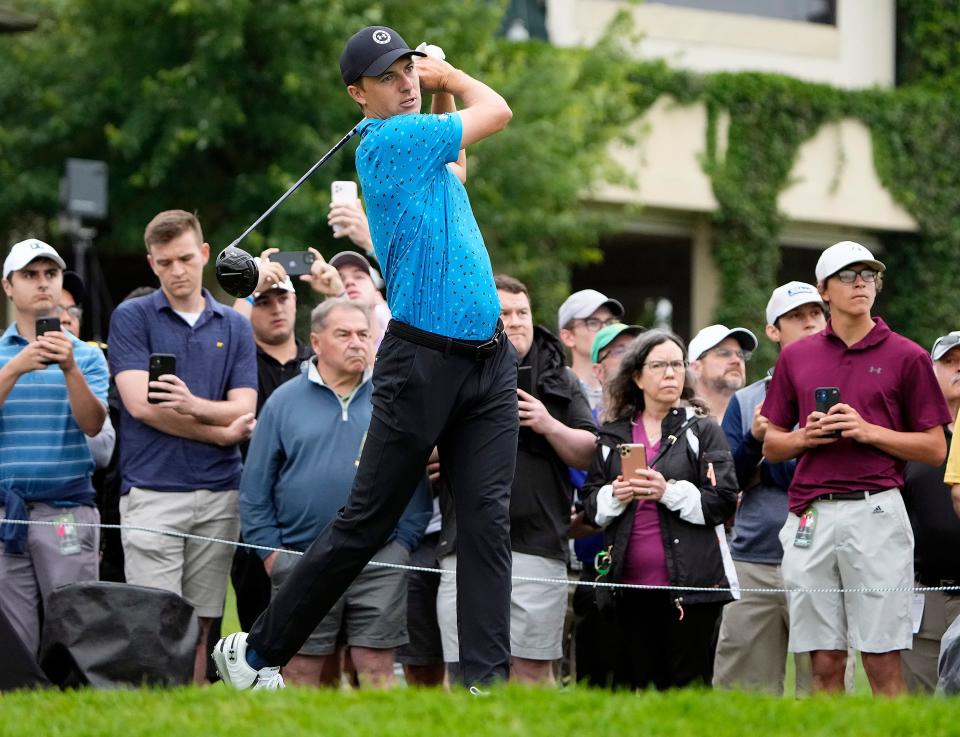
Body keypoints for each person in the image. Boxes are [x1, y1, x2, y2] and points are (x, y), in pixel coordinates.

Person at [214, 25, 515, 690]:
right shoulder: (388, 143)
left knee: (487, 521)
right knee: (364, 521)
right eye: (390, 76)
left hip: (489, 360)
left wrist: (432, 92)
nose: (407, 81)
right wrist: (448, 76)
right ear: (359, 94)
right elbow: (496, 110)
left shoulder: (419, 145)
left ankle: (487, 686)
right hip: (423, 359)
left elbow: (458, 163)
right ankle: (257, 651)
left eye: (409, 68)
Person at [761, 240, 951, 696]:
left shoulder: (906, 355)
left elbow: (933, 448)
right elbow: (771, 445)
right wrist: (805, 437)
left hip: (877, 513)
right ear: (824, 290)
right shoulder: (796, 356)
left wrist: (868, 432)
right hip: (811, 514)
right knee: (824, 661)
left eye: (868, 274)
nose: (861, 282)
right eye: (848, 275)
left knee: (882, 659)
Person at [240, 299, 429, 687]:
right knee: (302, 668)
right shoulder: (282, 402)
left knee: (376, 666)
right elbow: (255, 490)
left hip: (380, 561)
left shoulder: (392, 399)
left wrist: (403, 544)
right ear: (316, 342)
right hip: (301, 559)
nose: (357, 343)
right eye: (344, 334)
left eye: (364, 334)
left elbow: (414, 480)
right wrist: (274, 556)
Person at [108, 210, 258, 684]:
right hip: (153, 490)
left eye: (186, 258)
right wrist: (217, 430)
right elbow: (141, 406)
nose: (177, 270)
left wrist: (192, 404)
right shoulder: (131, 316)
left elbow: (245, 407)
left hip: (219, 492)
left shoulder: (233, 325)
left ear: (206, 255)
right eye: (166, 261)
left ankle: (190, 711)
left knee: (204, 617)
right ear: (152, 263)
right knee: (154, 619)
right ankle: (158, 711)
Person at [436, 275, 596, 684]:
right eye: (504, 313)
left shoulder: (562, 379)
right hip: (465, 545)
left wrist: (547, 423)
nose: (516, 321)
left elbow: (590, 451)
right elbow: (420, 447)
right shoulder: (455, 374)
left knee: (531, 671)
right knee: (463, 671)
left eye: (522, 312)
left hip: (537, 544)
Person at [581, 329, 738, 690]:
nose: (671, 373)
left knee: (688, 691)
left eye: (677, 365)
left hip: (692, 590)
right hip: (627, 589)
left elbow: (722, 502)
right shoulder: (614, 433)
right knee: (637, 691)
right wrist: (615, 495)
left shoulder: (703, 429)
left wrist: (667, 492)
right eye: (659, 365)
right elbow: (590, 508)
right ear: (637, 376)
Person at [712, 282, 826, 695]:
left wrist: (772, 463)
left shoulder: (844, 390)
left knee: (824, 689)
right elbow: (727, 483)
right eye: (797, 317)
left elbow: (831, 476)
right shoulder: (746, 400)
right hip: (755, 559)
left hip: (824, 557)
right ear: (774, 331)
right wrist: (757, 443)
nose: (810, 323)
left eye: (816, 314)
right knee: (743, 692)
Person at [0, 239, 108, 658]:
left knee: (78, 634)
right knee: (13, 641)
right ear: (8, 287)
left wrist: (69, 368)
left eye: (50, 274)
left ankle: (77, 713)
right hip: (8, 514)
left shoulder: (87, 356)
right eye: (29, 275)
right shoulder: (3, 356)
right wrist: (14, 368)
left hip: (67, 511)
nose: (42, 284)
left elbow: (93, 425)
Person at [229, 276, 315, 635]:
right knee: (257, 624)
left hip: (311, 508)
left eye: (283, 298)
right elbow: (231, 327)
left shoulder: (320, 362)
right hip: (255, 509)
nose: (276, 308)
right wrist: (248, 285)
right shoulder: (238, 360)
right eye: (263, 301)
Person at [570, 322, 644, 688]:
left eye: (637, 350)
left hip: (649, 575)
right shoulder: (584, 427)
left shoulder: (661, 427)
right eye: (619, 352)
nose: (631, 359)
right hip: (594, 569)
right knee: (594, 687)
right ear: (598, 370)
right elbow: (577, 508)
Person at [900, 331, 960, 693]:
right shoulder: (911, 436)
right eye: (949, 363)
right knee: (918, 709)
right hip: (925, 592)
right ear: (931, 371)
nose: (959, 370)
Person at [557, 289, 624, 410]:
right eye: (593, 323)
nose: (605, 330)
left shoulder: (631, 388)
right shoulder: (556, 390)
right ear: (568, 337)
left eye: (609, 322)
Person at [687, 324, 757, 420]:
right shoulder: (676, 422)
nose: (737, 360)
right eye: (724, 353)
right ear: (695, 368)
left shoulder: (756, 421)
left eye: (740, 354)